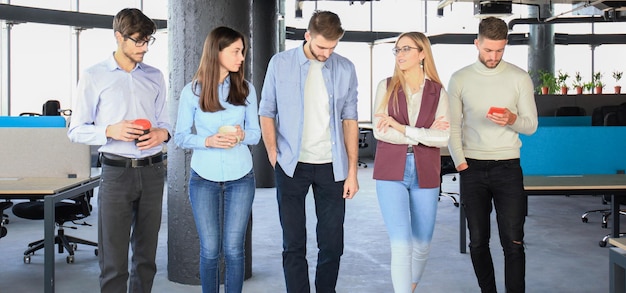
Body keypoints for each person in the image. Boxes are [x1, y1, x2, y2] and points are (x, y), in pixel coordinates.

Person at [67, 8, 171, 293]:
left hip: (152, 172)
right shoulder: (94, 76)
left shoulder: (154, 76)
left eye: (148, 41)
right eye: (138, 41)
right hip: (115, 173)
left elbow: (165, 123)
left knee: (146, 258)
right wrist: (109, 131)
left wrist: (163, 133)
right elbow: (76, 130)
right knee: (113, 262)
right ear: (118, 37)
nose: (144, 48)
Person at [258, 10, 359, 293]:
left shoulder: (346, 68)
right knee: (293, 243)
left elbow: (349, 119)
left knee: (332, 244)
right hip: (291, 165)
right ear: (307, 36)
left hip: (332, 167)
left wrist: (352, 172)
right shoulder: (280, 63)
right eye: (321, 47)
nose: (327, 53)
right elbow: (267, 110)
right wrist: (272, 153)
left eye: (332, 47)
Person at [447, 17, 538, 293]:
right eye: (488, 50)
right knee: (477, 241)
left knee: (513, 241)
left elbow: (531, 126)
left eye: (499, 50)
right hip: (472, 168)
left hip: (508, 168)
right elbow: (453, 127)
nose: (493, 57)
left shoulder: (519, 78)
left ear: (506, 45)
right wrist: (461, 164)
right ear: (477, 43)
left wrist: (512, 118)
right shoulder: (459, 78)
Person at [174, 26, 260, 293]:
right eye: (235, 51)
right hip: (203, 179)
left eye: (242, 51)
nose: (241, 57)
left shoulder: (246, 89)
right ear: (217, 52)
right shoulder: (192, 91)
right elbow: (180, 136)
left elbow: (256, 135)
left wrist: (243, 135)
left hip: (241, 177)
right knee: (210, 251)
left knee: (234, 250)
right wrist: (207, 141)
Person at [372, 32, 450, 293]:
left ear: (422, 53)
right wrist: (423, 134)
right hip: (390, 170)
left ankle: (410, 287)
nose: (400, 54)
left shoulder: (438, 92)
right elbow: (380, 131)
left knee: (422, 242)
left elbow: (444, 137)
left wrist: (402, 128)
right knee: (401, 243)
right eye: (397, 50)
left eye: (406, 49)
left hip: (426, 170)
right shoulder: (386, 86)